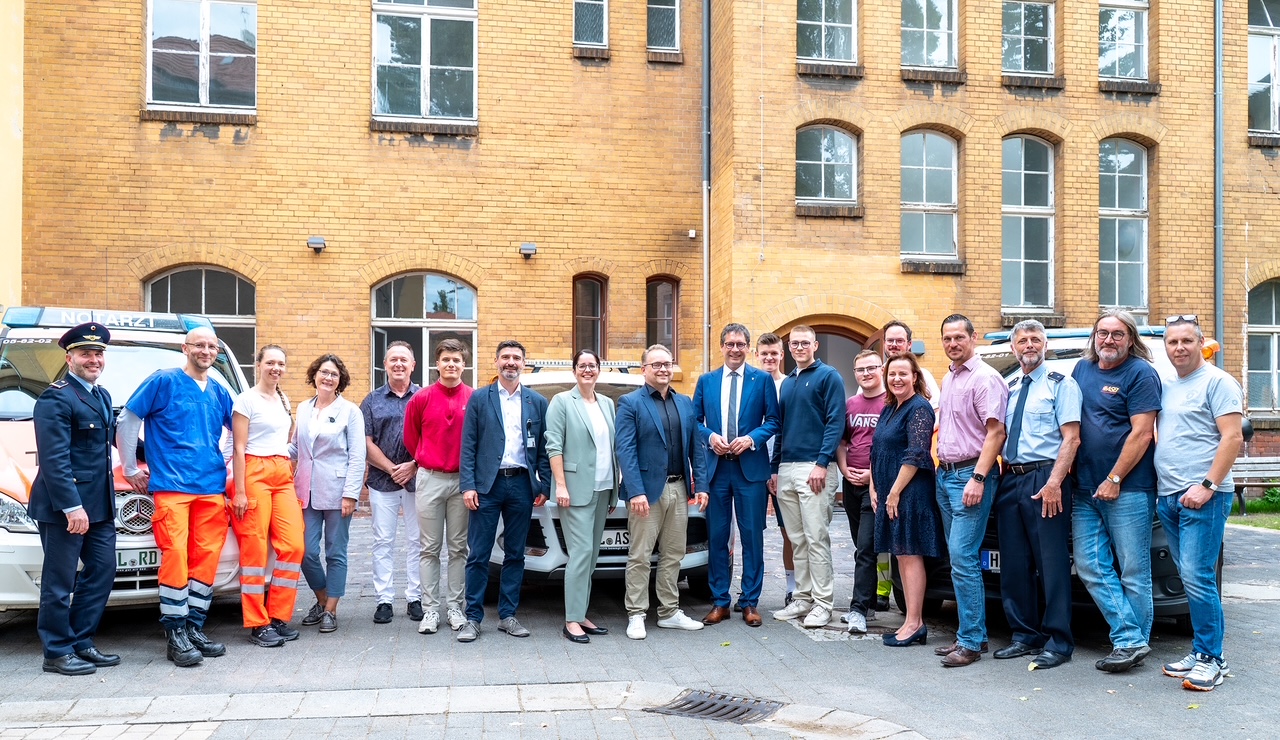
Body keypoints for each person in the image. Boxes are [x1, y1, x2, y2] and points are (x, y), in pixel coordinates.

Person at [119, 326, 233, 667]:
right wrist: (129, 468)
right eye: (200, 345)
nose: (206, 351)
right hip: (172, 486)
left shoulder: (219, 390)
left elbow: (239, 429)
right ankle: (175, 631)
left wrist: (225, 460)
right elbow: (128, 418)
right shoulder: (164, 381)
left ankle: (195, 625)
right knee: (176, 556)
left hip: (210, 486)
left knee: (207, 556)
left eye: (212, 346)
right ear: (186, 348)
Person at [1154, 315, 1243, 691]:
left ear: (1200, 342)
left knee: (1198, 577)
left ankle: (1213, 659)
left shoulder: (1219, 382)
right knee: (1191, 577)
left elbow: (1233, 438)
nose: (1179, 348)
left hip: (1203, 498)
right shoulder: (1168, 384)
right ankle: (1201, 650)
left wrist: (1208, 484)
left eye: (1186, 341)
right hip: (1169, 496)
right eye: (1173, 342)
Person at [1072, 310, 1162, 673]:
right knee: (1090, 565)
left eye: (1117, 334)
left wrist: (1114, 478)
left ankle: (1130, 644)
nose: (1108, 340)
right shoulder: (1082, 370)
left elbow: (1141, 432)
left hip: (1128, 490)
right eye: (1102, 333)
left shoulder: (1141, 373)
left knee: (1133, 571)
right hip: (1084, 489)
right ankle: (1131, 640)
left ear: (1130, 339)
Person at [29, 323, 120, 675]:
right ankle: (56, 650)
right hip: (64, 508)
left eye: (98, 354)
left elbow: (105, 442)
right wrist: (72, 507)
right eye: (86, 353)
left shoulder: (101, 395)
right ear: (70, 358)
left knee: (102, 570)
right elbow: (54, 459)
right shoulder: (56, 397)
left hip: (99, 505)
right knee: (59, 581)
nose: (94, 359)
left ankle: (80, 641)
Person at [992, 321, 1082, 670]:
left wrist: (1056, 482)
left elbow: (1071, 438)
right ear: (1013, 348)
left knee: (1051, 563)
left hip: (1046, 477)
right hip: (1011, 479)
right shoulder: (1010, 386)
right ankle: (1024, 635)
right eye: (1022, 340)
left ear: (1045, 344)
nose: (1028, 345)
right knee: (1014, 562)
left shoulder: (1062, 385)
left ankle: (1058, 642)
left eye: (1035, 339)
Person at [457, 340, 552, 642]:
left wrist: (544, 484)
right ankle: (473, 618)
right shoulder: (479, 399)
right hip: (488, 485)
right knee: (479, 554)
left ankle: (508, 615)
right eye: (506, 358)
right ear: (496, 361)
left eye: (516, 358)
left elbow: (545, 448)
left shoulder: (537, 402)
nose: (511, 363)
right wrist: (468, 485)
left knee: (515, 554)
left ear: (524, 362)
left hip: (522, 485)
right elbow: (468, 444)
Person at [616, 344, 710, 639]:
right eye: (655, 364)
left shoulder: (685, 403)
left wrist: (702, 485)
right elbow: (626, 450)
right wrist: (635, 491)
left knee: (673, 554)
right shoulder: (630, 403)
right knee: (640, 555)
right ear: (644, 369)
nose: (662, 369)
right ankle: (636, 613)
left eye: (667, 364)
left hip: (679, 488)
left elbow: (697, 447)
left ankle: (669, 612)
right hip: (646, 493)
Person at [693, 324, 780, 628]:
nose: (735, 349)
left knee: (752, 536)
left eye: (741, 344)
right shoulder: (707, 381)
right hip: (717, 469)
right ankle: (720, 601)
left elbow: (773, 421)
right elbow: (694, 422)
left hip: (750, 469)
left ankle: (750, 601)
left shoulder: (762, 380)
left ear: (748, 347)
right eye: (730, 344)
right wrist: (710, 436)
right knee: (717, 537)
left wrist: (753, 438)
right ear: (722, 346)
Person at [934, 314, 1007, 668]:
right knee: (958, 558)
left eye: (959, 337)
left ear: (973, 337)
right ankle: (968, 632)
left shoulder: (985, 378)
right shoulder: (949, 377)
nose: (953, 343)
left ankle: (973, 641)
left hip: (970, 475)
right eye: (947, 338)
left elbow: (995, 433)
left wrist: (978, 478)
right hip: (945, 475)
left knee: (963, 557)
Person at [229, 345, 306, 648]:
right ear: (257, 364)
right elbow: (237, 447)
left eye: (281, 364)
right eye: (270, 362)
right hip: (254, 469)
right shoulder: (245, 400)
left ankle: (278, 615)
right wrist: (240, 491)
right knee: (254, 550)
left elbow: (285, 441)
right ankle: (257, 622)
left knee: (293, 545)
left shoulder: (284, 399)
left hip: (281, 470)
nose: (276, 368)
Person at [770, 325, 845, 629]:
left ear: (815, 345)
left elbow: (835, 421)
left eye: (805, 343)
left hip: (815, 467)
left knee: (816, 538)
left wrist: (822, 462)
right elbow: (781, 429)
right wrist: (774, 469)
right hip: (787, 468)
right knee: (797, 539)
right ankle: (802, 598)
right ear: (789, 348)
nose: (800, 347)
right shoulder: (788, 383)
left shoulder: (829, 376)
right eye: (795, 343)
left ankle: (824, 603)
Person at [544, 349, 618, 643]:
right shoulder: (562, 402)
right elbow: (554, 446)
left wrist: (615, 490)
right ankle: (571, 620)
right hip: (575, 491)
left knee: (591, 557)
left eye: (593, 365)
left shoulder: (607, 404)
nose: (588, 370)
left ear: (599, 370)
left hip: (603, 489)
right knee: (580, 554)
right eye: (582, 366)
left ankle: (581, 613)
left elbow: (611, 448)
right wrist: (561, 485)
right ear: (574, 371)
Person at [871, 353, 943, 648]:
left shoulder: (919, 408)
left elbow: (916, 453)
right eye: (892, 374)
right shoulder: (890, 407)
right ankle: (910, 621)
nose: (896, 379)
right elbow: (877, 452)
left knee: (910, 554)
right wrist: (876, 487)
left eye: (903, 373)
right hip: (890, 491)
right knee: (901, 554)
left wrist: (895, 491)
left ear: (915, 377)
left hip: (910, 492)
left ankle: (916, 623)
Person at [403, 339, 474, 635]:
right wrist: (424, 460)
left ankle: (456, 607)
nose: (451, 365)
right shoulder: (421, 398)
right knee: (429, 548)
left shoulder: (474, 397)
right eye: (446, 359)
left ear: (464, 364)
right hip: (430, 477)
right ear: (437, 363)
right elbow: (410, 437)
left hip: (462, 482)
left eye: (456, 360)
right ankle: (431, 610)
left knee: (459, 548)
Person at [293, 354, 366, 634]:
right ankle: (322, 599)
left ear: (340, 381)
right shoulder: (302, 409)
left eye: (334, 374)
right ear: (314, 375)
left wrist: (351, 494)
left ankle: (331, 611)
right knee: (305, 551)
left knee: (336, 552)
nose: (328, 378)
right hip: (305, 491)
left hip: (338, 493)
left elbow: (357, 456)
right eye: (324, 372)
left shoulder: (350, 411)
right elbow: (296, 448)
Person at [360, 341, 422, 625]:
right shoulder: (372, 401)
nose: (398, 364)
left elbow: (431, 438)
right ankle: (383, 599)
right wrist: (391, 468)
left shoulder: (424, 396)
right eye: (393, 359)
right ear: (385, 364)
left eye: (404, 360)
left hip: (418, 479)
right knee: (383, 541)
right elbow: (365, 441)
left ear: (413, 365)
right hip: (382, 482)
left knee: (417, 541)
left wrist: (413, 465)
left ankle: (415, 597)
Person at [835, 349, 886, 634]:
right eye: (860, 370)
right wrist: (844, 470)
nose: (866, 374)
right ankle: (865, 604)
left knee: (867, 548)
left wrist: (872, 476)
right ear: (855, 374)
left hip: (875, 486)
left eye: (871, 368)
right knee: (860, 546)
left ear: (881, 369)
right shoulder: (851, 404)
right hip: (850, 484)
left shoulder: (890, 403)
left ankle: (857, 610)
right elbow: (842, 443)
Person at [756, 333, 796, 605]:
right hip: (753, 466)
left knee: (789, 530)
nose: (769, 358)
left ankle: (792, 588)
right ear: (757, 355)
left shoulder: (790, 385)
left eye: (774, 353)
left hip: (784, 466)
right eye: (764, 353)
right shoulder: (751, 384)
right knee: (751, 531)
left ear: (782, 355)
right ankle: (751, 590)